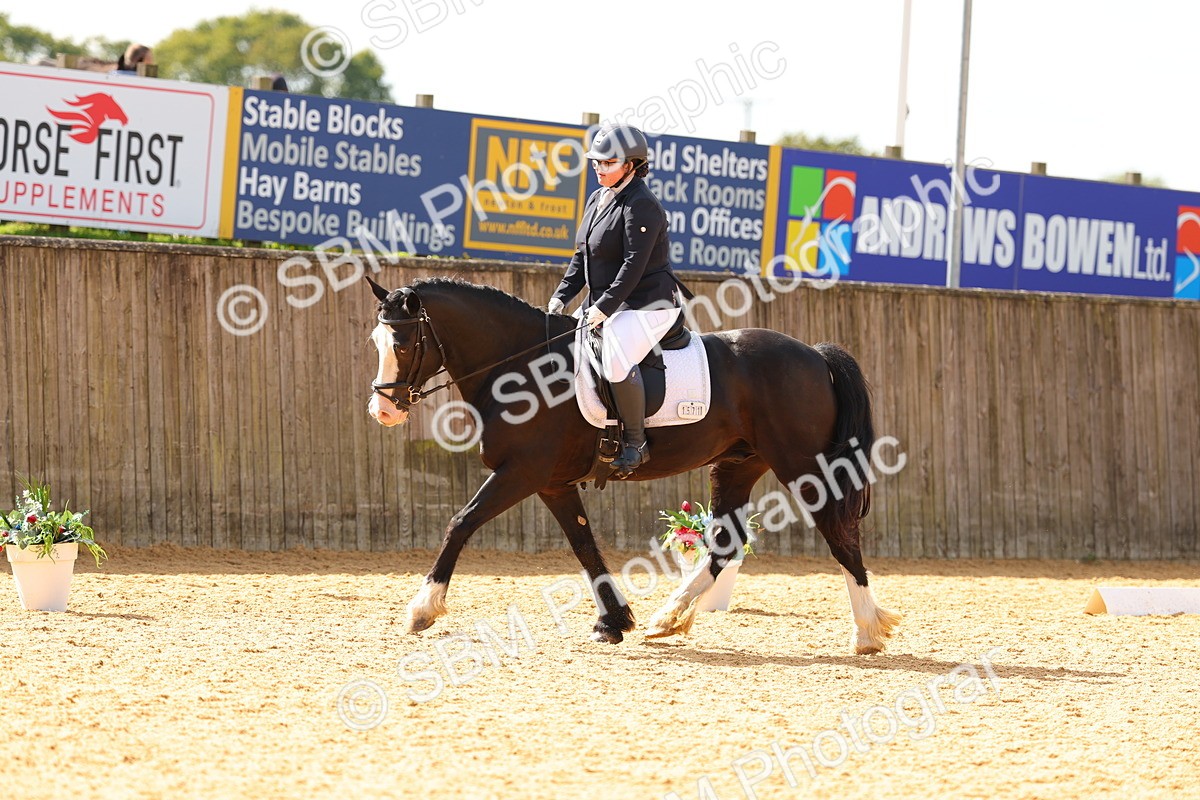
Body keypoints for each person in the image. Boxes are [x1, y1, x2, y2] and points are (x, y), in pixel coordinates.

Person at [548, 123, 685, 473]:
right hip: (607, 301)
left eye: (608, 163)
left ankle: (636, 442)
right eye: (596, 162)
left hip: (649, 303)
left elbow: (632, 267)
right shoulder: (598, 199)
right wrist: (561, 298)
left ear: (631, 164)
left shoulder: (643, 205)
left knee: (616, 358)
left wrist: (601, 309)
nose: (599, 168)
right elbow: (582, 257)